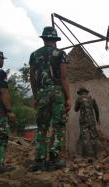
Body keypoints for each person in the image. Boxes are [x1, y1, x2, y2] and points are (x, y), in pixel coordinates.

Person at [29, 26, 71, 171]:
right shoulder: (61, 54)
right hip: (57, 93)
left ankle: (39, 161)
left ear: (44, 39)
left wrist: (36, 96)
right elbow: (64, 77)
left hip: (42, 94)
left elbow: (32, 79)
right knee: (58, 126)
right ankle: (53, 160)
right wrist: (69, 98)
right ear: (55, 40)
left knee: (41, 127)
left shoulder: (34, 55)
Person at [0, 51, 15, 173]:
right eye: (1, 58)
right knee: (2, 137)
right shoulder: (0, 73)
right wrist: (9, 110)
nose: (3, 61)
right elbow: (4, 92)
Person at [74, 86, 100, 159]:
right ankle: (96, 155)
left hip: (83, 121)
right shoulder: (92, 98)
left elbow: (76, 109)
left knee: (84, 138)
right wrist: (97, 119)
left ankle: (86, 156)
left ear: (80, 92)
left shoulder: (79, 98)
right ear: (86, 92)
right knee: (94, 137)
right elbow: (96, 110)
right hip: (92, 120)